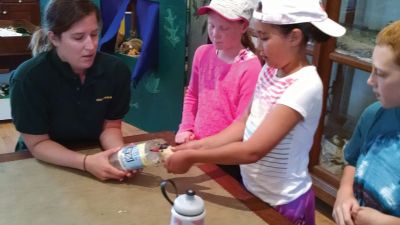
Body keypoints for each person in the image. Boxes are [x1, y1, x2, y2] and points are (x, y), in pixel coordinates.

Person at [165, 0, 346, 224]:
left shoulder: (305, 85)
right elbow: (243, 123)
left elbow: (254, 150)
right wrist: (194, 145)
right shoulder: (270, 70)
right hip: (253, 189)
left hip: (283, 201)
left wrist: (193, 156)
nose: (258, 46)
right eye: (258, 36)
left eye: (265, 38)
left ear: (294, 37)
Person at [9, 0, 133, 181]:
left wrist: (120, 156)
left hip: (93, 152)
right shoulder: (28, 78)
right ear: (54, 38)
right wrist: (85, 163)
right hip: (43, 159)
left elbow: (111, 126)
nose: (90, 46)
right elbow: (37, 143)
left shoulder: (116, 71)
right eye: (78, 37)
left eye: (94, 34)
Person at [175, 0, 261, 181]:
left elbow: (242, 123)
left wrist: (203, 150)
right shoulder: (202, 53)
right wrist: (185, 128)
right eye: (212, 26)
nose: (215, 34)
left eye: (224, 28)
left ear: (243, 26)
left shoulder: (251, 68)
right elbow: (192, 94)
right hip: (195, 144)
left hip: (226, 156)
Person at [333, 21, 400, 225]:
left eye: (380, 73)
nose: (370, 81)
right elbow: (352, 161)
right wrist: (344, 193)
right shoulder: (373, 114)